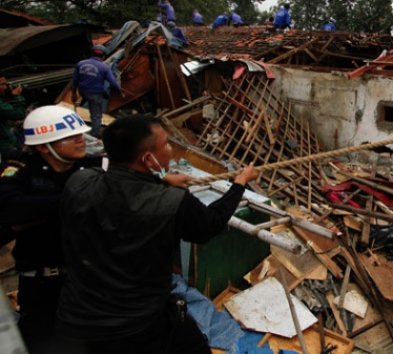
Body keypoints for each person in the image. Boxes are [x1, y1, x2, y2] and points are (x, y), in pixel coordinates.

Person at [54, 116, 257, 354]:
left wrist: (158, 177)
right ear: (148, 158)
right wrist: (240, 183)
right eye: (166, 145)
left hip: (76, 317)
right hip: (139, 324)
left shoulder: (80, 182)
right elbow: (209, 225)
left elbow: (117, 180)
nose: (171, 149)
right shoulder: (172, 201)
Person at [0, 105, 98, 354]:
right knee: (42, 342)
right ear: (44, 146)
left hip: (86, 278)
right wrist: (72, 199)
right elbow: (10, 208)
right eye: (71, 136)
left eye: (80, 134)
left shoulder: (90, 166)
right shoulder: (20, 169)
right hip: (43, 284)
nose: (80, 140)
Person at [71, 45, 122, 139]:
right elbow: (113, 83)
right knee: (96, 115)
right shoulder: (104, 67)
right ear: (103, 56)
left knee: (91, 103)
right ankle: (95, 134)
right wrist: (120, 91)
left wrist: (73, 94)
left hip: (83, 91)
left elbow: (74, 81)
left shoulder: (80, 64)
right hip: (95, 93)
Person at [0, 76, 26, 162]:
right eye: (2, 84)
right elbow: (18, 114)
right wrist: (16, 96)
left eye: (6, 84)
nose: (5, 87)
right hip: (4, 144)